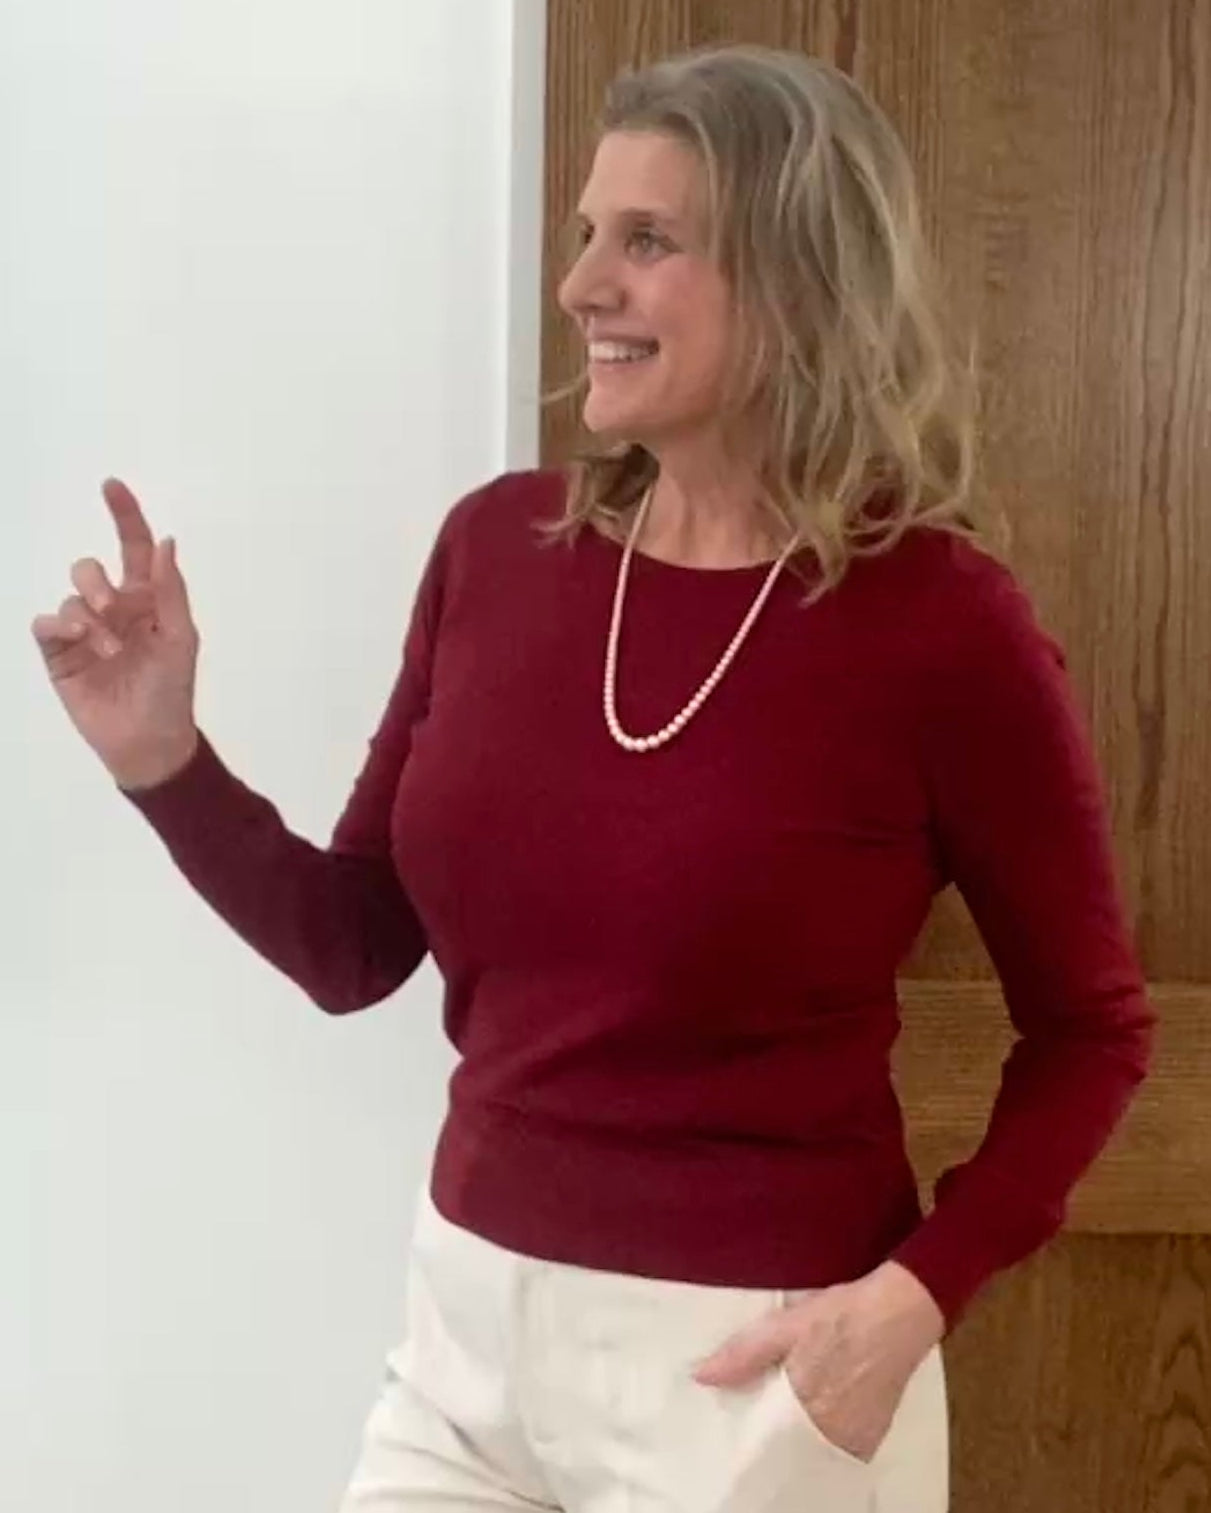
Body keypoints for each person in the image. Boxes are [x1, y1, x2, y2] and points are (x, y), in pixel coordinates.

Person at [32, 43, 1154, 1513]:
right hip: (466, 1340)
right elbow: (354, 945)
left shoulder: (942, 628)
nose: (580, 289)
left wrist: (916, 1295)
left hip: (758, 1380)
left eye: (647, 241)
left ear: (798, 278)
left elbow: (1091, 1031)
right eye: (583, 238)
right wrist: (165, 762)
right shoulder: (497, 552)